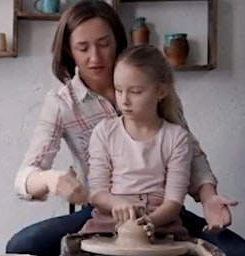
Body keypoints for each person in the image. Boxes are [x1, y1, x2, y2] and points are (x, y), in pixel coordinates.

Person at [6, 1, 245, 256]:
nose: (95, 57)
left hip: (164, 210)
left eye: (104, 44)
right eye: (83, 48)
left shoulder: (152, 84)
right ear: (69, 51)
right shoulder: (62, 103)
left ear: (117, 40)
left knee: (240, 253)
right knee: (22, 246)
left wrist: (209, 198)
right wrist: (49, 179)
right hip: (105, 209)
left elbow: (191, 154)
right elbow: (24, 177)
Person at [60, 44, 195, 255]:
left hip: (161, 225)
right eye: (119, 90)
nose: (124, 100)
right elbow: (97, 192)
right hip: (108, 223)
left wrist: (149, 222)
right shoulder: (105, 132)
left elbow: (174, 201)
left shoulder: (176, 137)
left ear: (160, 91)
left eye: (135, 92)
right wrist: (117, 203)